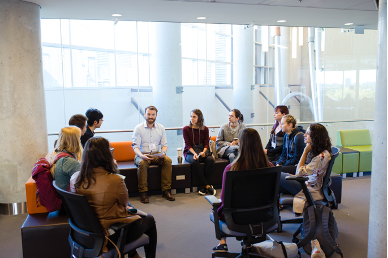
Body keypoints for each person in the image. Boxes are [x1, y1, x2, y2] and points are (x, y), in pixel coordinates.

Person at [70, 137, 157, 258]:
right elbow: (124, 203)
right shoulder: (114, 180)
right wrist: (114, 171)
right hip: (110, 235)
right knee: (149, 220)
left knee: (129, 209)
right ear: (106, 156)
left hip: (83, 234)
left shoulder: (75, 178)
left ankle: (133, 255)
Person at [213, 128, 274, 252]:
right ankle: (249, 243)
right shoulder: (270, 167)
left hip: (237, 218)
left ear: (241, 144)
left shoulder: (231, 169)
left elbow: (224, 200)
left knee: (216, 208)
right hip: (264, 216)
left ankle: (222, 242)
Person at [279, 123, 332, 214]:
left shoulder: (321, 157)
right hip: (307, 182)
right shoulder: (321, 153)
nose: (304, 135)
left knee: (276, 174)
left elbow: (298, 173)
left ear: (315, 137)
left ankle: (271, 214)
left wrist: (305, 151)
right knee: (276, 185)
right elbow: (300, 171)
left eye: (307, 133)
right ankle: (273, 211)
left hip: (307, 187)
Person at [132, 106, 175, 203]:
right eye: (148, 114)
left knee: (167, 161)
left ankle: (166, 191)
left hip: (156, 154)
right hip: (142, 154)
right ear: (144, 114)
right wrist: (142, 155)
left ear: (156, 115)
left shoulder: (161, 128)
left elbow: (164, 145)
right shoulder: (138, 128)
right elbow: (135, 147)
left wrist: (163, 153)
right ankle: (143, 193)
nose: (150, 116)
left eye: (153, 114)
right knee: (142, 163)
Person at [183, 109, 216, 196]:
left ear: (199, 118)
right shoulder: (186, 129)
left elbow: (206, 143)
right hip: (190, 152)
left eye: (194, 117)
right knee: (195, 161)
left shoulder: (205, 129)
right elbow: (188, 145)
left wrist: (204, 152)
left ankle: (204, 187)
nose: (192, 119)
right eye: (191, 116)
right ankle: (207, 186)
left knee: (210, 160)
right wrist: (194, 154)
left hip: (202, 150)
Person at [51, 126, 82, 190]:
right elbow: (85, 182)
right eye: (79, 138)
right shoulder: (69, 161)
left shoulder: (59, 155)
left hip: (65, 196)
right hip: (72, 197)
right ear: (75, 141)